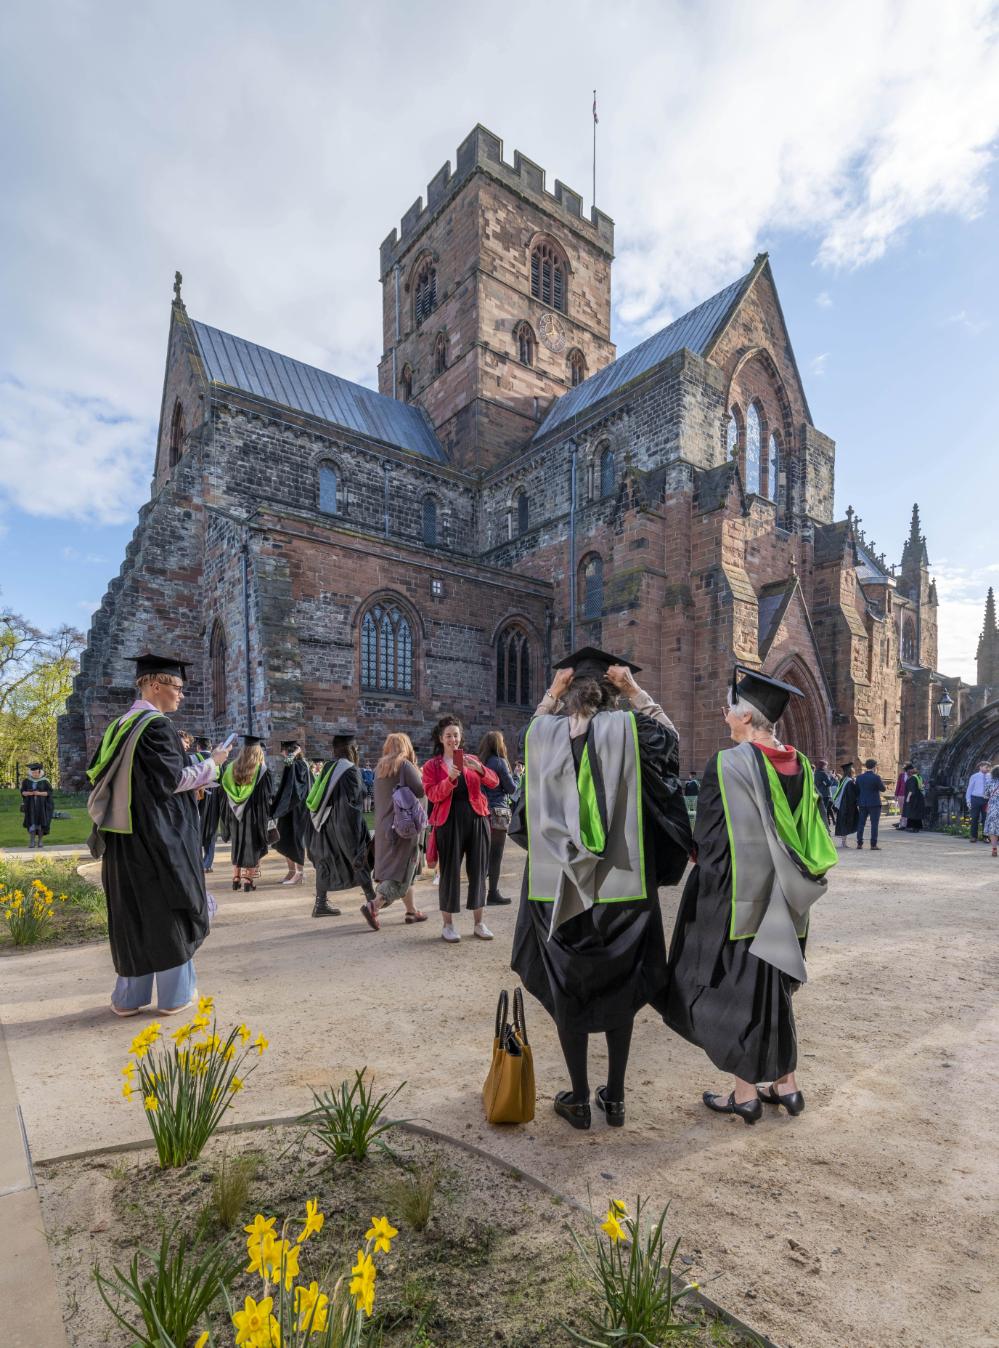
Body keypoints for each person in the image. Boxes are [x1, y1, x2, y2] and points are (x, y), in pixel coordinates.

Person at [511, 648, 691, 1130]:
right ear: (614, 692)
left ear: (567, 692)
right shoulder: (632, 732)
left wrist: (550, 696)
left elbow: (528, 736)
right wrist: (636, 692)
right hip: (622, 887)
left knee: (570, 986)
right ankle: (615, 1097)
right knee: (620, 984)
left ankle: (578, 1097)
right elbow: (670, 741)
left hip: (558, 888)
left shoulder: (541, 736)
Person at [664, 665, 837, 1124]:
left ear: (747, 718)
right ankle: (786, 1084)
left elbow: (709, 841)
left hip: (739, 899)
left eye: (729, 711)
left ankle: (744, 1094)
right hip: (786, 899)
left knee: (737, 991)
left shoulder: (729, 764)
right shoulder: (798, 763)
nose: (724, 717)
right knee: (772, 989)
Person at [85, 653, 229, 1016]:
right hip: (157, 837)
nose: (181, 695)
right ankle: (174, 996)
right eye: (177, 687)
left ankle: (129, 998)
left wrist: (195, 762)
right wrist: (213, 764)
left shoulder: (120, 726)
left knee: (132, 910)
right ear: (154, 684)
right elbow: (173, 781)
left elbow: (144, 777)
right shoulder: (157, 726)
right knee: (168, 906)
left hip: (123, 836)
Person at [422, 716, 499, 943]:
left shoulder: (472, 759)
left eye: (456, 735)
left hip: (477, 818)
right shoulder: (432, 766)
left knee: (478, 871)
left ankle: (479, 923)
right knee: (449, 874)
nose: (453, 739)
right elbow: (433, 795)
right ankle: (448, 925)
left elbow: (494, 783)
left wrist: (481, 769)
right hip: (449, 821)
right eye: (448, 735)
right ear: (440, 738)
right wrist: (450, 779)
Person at [360, 732, 428, 930]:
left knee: (404, 871)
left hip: (383, 829)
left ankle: (411, 911)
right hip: (403, 828)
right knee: (402, 872)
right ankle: (375, 904)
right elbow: (421, 790)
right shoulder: (404, 765)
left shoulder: (379, 768)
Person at [307, 731, 375, 918]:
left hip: (322, 823)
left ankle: (320, 904)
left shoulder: (328, 767)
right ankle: (373, 901)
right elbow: (352, 803)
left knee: (324, 862)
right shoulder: (350, 770)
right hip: (343, 823)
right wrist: (356, 831)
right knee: (358, 858)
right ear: (352, 749)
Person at [218, 736, 272, 892]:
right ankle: (248, 879)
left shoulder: (230, 768)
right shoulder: (261, 770)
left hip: (235, 814)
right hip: (253, 815)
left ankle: (236, 878)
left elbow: (223, 793)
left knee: (238, 844)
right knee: (252, 845)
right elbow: (266, 797)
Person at [478, 729, 518, 907]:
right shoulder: (500, 762)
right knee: (495, 855)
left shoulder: (480, 762)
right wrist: (517, 774)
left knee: (483, 855)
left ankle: (478, 892)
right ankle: (493, 893)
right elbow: (511, 789)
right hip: (498, 812)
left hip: (481, 811)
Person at [270, 740, 312, 886]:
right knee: (285, 838)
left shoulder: (300, 765)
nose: (282, 753)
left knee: (296, 840)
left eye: (283, 750)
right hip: (288, 807)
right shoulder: (295, 764)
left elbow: (288, 762)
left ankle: (300, 873)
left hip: (298, 808)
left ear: (289, 751)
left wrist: (295, 752)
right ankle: (291, 871)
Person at [193, 735, 222, 872]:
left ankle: (197, 863)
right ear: (210, 748)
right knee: (211, 830)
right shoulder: (217, 761)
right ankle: (207, 864)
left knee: (196, 829)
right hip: (214, 800)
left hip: (198, 799)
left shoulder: (193, 759)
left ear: (198, 747)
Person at [20, 762, 55, 848]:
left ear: (40, 772)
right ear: (30, 772)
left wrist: (39, 793)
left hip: (42, 807)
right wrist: (29, 793)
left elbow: (49, 793)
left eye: (36, 772)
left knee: (41, 823)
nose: (35, 774)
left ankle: (40, 841)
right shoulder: (26, 781)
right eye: (33, 772)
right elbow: (22, 792)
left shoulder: (45, 781)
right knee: (31, 823)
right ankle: (32, 842)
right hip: (31, 806)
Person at [855, 759, 886, 850]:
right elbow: (883, 789)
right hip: (874, 803)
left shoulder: (859, 777)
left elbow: (857, 789)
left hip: (862, 802)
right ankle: (873, 844)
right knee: (874, 824)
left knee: (861, 823)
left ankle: (859, 843)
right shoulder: (876, 777)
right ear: (875, 766)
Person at [832, 763, 859, 848]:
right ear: (851, 772)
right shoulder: (850, 782)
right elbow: (852, 795)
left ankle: (843, 842)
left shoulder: (843, 780)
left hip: (841, 805)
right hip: (848, 806)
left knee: (843, 823)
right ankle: (844, 843)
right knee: (846, 823)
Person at [966, 761, 992, 843]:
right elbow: (969, 789)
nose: (987, 769)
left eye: (988, 767)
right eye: (986, 767)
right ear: (980, 767)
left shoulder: (990, 776)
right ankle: (973, 836)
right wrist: (968, 800)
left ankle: (985, 837)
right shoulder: (974, 776)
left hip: (986, 800)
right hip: (975, 798)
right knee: (974, 818)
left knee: (986, 818)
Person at [902, 763, 926, 833]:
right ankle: (917, 827)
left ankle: (912, 827)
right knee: (917, 813)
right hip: (919, 797)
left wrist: (908, 798)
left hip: (913, 798)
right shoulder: (919, 777)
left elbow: (911, 790)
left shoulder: (912, 778)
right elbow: (922, 786)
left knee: (912, 813)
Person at [813, 758, 836, 828]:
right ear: (823, 766)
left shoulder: (816, 773)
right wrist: (832, 777)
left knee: (823, 809)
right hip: (826, 794)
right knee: (825, 810)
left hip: (818, 793)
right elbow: (829, 784)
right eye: (826, 766)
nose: (826, 767)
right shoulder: (823, 773)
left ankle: (822, 824)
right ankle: (824, 826)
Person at [984, 766, 999, 858]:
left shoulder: (989, 782)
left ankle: (994, 849)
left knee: (993, 829)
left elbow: (985, 796)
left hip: (993, 807)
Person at [893, 766, 908, 830]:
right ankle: (902, 824)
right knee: (902, 810)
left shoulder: (913, 776)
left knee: (908, 810)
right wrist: (896, 795)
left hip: (908, 795)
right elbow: (898, 785)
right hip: (901, 795)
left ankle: (905, 824)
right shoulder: (901, 775)